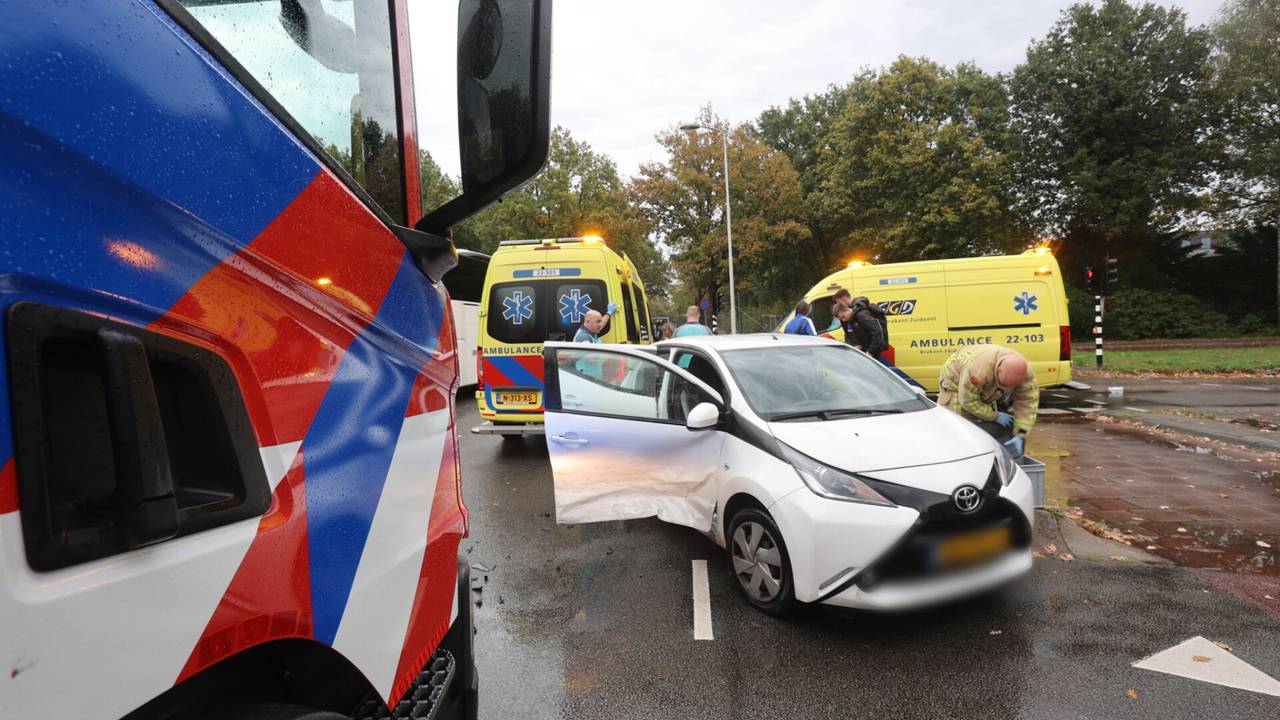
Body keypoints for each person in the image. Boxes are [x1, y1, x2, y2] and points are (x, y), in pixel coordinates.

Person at [937, 345, 1039, 457]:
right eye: (1003, 385)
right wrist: (995, 416)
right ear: (998, 371)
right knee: (958, 427)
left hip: (985, 377)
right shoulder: (977, 371)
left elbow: (1027, 406)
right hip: (955, 379)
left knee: (988, 422)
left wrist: (1021, 434)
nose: (1006, 389)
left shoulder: (1026, 376)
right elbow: (969, 402)